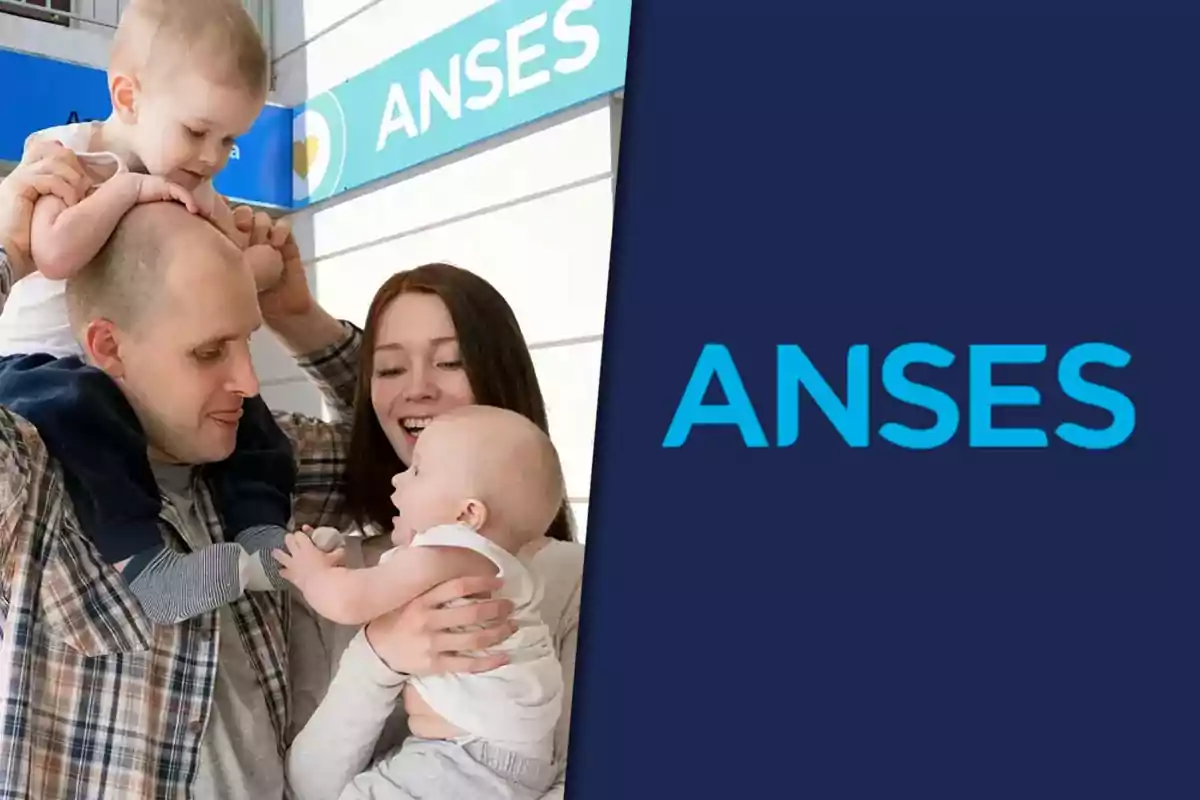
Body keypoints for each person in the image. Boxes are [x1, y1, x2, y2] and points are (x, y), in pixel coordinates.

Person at [0, 144, 521, 799]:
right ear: (108, 347)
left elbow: (428, 450)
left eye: (247, 339)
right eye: (209, 351)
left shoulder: (260, 457)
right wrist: (13, 251)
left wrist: (297, 317)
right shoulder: (33, 478)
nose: (247, 381)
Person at [0, 0, 298, 627]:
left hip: (133, 382)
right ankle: (142, 562)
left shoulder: (198, 187)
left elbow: (225, 284)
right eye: (197, 131)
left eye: (229, 141)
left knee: (255, 419)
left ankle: (260, 532)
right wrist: (126, 191)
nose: (212, 156)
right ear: (128, 95)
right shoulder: (74, 157)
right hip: (42, 367)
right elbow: (51, 253)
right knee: (86, 412)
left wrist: (263, 268)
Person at [281, 264, 588, 800]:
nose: (418, 389)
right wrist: (380, 652)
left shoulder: (573, 576)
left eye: (450, 362)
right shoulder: (344, 563)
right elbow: (308, 787)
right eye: (389, 369)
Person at [281, 405, 567, 799]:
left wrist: (312, 573)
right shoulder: (496, 569)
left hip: (470, 760)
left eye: (417, 471)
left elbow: (351, 601)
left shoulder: (450, 550)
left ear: (467, 514)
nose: (398, 479)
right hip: (492, 760)